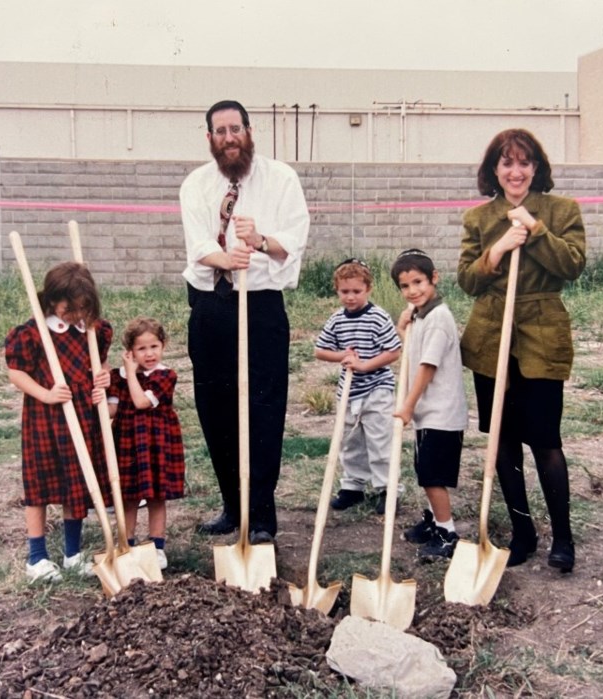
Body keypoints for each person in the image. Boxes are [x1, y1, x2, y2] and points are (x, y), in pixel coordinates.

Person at [180, 99, 310, 543]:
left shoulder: (280, 179)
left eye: (236, 128)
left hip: (260, 305)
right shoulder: (196, 184)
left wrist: (258, 241)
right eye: (220, 131)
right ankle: (232, 507)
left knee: (262, 407)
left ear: (249, 131)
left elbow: (293, 239)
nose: (229, 137)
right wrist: (228, 257)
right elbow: (198, 245)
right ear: (210, 138)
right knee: (216, 408)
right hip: (211, 305)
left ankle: (261, 515)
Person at [457, 128, 586, 573]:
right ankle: (523, 532)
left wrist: (535, 228)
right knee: (502, 439)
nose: (515, 171)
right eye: (506, 162)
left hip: (541, 335)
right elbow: (468, 280)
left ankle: (563, 538)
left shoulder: (562, 210)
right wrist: (496, 251)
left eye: (524, 162)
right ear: (494, 170)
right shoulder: (477, 217)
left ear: (537, 167)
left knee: (546, 441)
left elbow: (572, 265)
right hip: (492, 336)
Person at [5, 261, 113, 583]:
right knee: (39, 485)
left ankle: (72, 553)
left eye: (83, 308)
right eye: (70, 308)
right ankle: (36, 557)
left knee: (76, 484)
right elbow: (16, 373)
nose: (76, 315)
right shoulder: (32, 334)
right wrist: (46, 394)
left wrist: (102, 377)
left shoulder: (94, 331)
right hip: (45, 418)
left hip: (81, 416)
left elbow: (101, 362)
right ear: (51, 300)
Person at [391, 250, 469, 560]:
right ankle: (434, 520)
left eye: (418, 282)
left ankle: (447, 532)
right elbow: (411, 348)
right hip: (429, 413)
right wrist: (403, 321)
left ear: (434, 278)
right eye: (405, 286)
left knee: (433, 476)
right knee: (425, 470)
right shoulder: (422, 314)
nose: (413, 291)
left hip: (441, 413)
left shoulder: (439, 318)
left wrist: (407, 406)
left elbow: (426, 367)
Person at [314, 258, 401, 515]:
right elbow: (320, 350)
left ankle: (388, 489)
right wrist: (342, 355)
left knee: (379, 441)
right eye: (345, 292)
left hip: (377, 389)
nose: (350, 297)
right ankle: (353, 487)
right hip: (349, 393)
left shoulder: (377, 317)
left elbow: (393, 351)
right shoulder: (337, 320)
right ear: (337, 290)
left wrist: (365, 365)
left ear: (368, 289)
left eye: (356, 291)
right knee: (350, 442)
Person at [107, 317, 185, 571]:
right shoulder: (117, 379)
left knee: (156, 497)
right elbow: (111, 411)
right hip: (128, 443)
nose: (149, 353)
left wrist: (130, 373)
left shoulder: (165, 376)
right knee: (129, 497)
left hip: (156, 442)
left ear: (163, 345)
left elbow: (141, 402)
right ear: (130, 351)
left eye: (154, 346)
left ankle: (157, 547)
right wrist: (99, 390)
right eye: (141, 349)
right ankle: (126, 544)